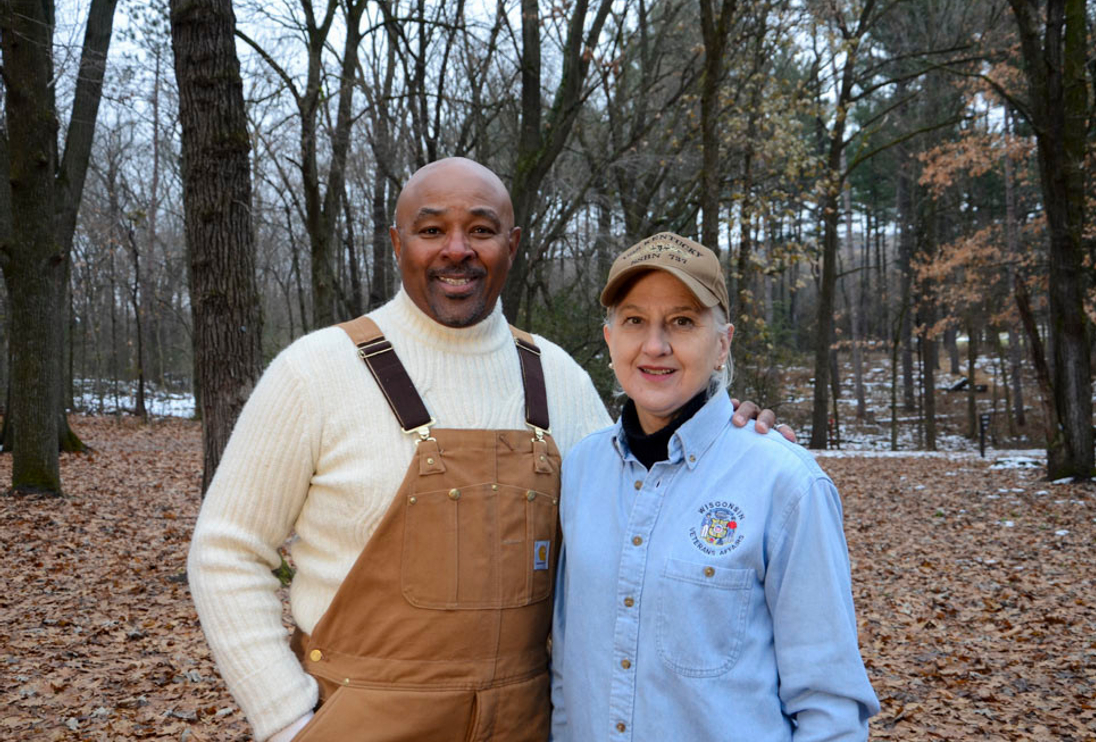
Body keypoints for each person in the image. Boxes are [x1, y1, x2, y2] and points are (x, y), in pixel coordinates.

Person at [187, 158, 791, 742]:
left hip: (525, 724)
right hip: (354, 718)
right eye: (431, 230)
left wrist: (725, 439)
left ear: (513, 244)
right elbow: (226, 551)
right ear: (398, 243)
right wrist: (287, 718)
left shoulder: (558, 378)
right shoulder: (314, 373)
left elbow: (641, 511)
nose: (457, 249)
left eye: (480, 229)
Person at [550, 232, 879, 741]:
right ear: (610, 337)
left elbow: (830, 705)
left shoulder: (785, 485)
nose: (655, 346)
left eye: (682, 321)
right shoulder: (581, 472)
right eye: (635, 320)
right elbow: (569, 673)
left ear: (722, 342)